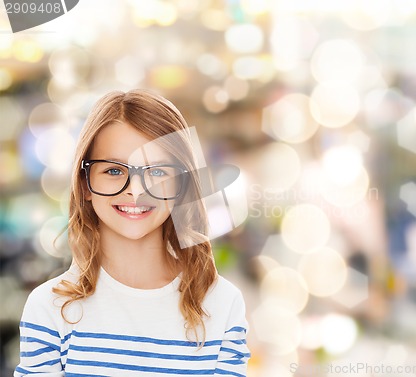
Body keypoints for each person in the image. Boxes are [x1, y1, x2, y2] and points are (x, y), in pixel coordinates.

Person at [15, 90, 250, 376]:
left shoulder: (222, 304)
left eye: (157, 172)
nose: (135, 190)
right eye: (114, 171)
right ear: (85, 183)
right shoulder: (50, 308)